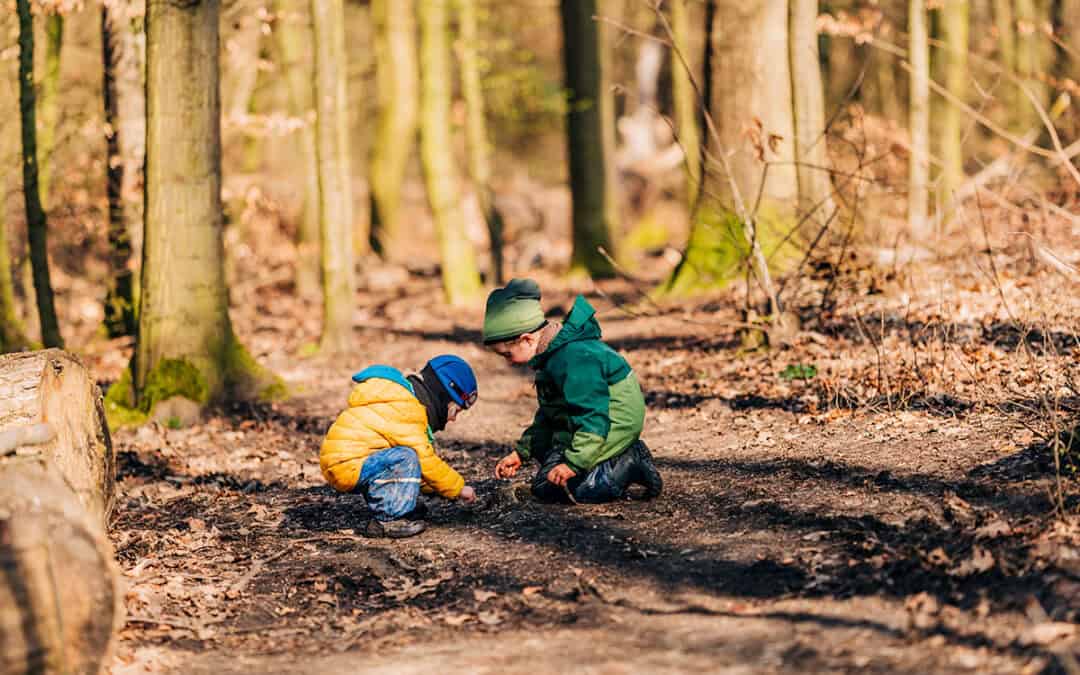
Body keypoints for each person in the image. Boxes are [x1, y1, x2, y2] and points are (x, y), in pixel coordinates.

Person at [483, 278, 662, 503]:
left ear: (527, 339)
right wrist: (521, 453)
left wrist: (573, 464)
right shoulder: (550, 358)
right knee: (544, 487)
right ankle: (607, 460)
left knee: (587, 490)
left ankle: (631, 457)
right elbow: (550, 415)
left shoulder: (574, 359)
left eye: (507, 355)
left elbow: (593, 417)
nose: (508, 363)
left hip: (611, 422)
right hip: (588, 424)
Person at [320, 355, 479, 538]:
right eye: (454, 411)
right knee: (407, 457)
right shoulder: (407, 410)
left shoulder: (404, 400)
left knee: (404, 457)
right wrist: (458, 488)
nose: (452, 419)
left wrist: (439, 490)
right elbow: (424, 461)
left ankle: (398, 501)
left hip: (348, 461)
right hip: (348, 464)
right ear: (442, 398)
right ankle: (387, 519)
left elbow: (420, 470)